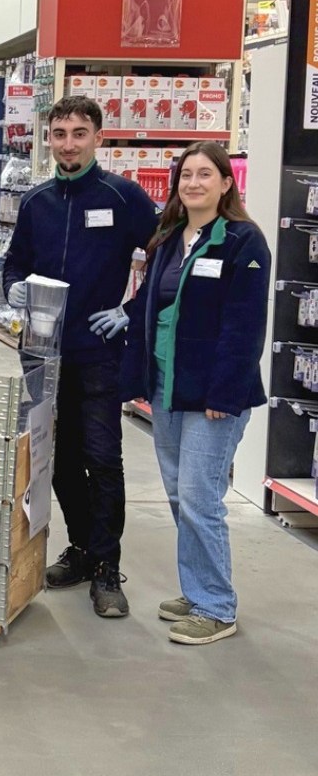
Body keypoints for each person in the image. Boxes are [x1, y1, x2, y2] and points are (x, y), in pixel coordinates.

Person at [3, 95, 158, 618]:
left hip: (97, 353)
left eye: (79, 133)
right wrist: (13, 288)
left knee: (103, 457)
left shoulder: (123, 196)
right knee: (58, 458)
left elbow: (165, 259)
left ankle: (108, 567)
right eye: (60, 134)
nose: (68, 144)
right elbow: (15, 263)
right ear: (49, 139)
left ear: (98, 138)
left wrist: (130, 311)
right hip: (41, 354)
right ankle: (84, 549)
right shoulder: (36, 201)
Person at [123, 142, 270, 645]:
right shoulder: (168, 238)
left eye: (205, 174)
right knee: (176, 491)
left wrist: (224, 394)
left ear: (226, 183)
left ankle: (216, 606)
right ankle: (197, 587)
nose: (194, 183)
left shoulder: (243, 241)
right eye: (186, 175)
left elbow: (244, 326)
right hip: (167, 387)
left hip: (213, 396)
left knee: (199, 496)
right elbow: (149, 304)